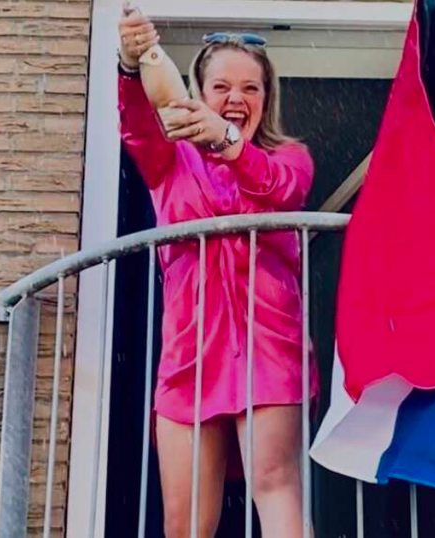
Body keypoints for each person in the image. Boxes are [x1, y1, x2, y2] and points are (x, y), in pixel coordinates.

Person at [118, 7, 317, 538]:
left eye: (250, 88)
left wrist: (228, 142)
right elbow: (137, 127)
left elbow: (280, 190)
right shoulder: (170, 160)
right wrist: (130, 66)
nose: (236, 98)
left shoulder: (290, 156)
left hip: (268, 341)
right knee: (185, 520)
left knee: (276, 485)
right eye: (221, 87)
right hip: (190, 347)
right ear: (199, 92)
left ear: (266, 99)